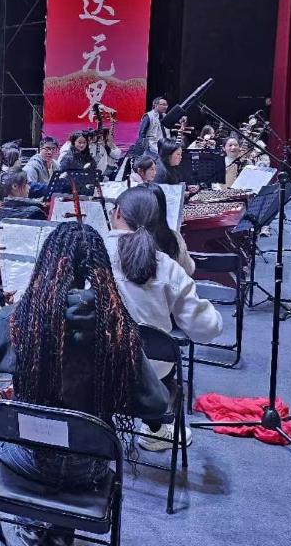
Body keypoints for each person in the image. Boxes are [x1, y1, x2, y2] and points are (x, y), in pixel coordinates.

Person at [0, 222, 170, 545]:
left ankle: (32, 523)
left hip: (29, 457)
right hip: (92, 463)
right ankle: (57, 527)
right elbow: (157, 404)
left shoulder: (23, 319)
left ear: (47, 264)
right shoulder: (116, 327)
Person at [104, 186, 222, 449]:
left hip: (97, 368)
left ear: (118, 212)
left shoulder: (94, 252)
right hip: (151, 374)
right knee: (158, 355)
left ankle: (95, 425)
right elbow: (207, 329)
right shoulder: (167, 266)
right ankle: (153, 430)